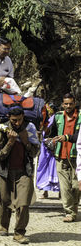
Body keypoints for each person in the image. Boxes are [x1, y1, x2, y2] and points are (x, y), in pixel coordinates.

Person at [0, 105, 39, 244]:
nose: (17, 123)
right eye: (14, 120)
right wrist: (10, 143)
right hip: (5, 171)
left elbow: (35, 153)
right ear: (9, 118)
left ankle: (19, 233)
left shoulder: (29, 129)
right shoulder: (1, 130)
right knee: (5, 202)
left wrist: (25, 141)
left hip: (24, 171)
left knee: (23, 204)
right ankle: (4, 225)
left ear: (23, 117)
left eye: (19, 120)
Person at [46, 93, 81, 222]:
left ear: (75, 103)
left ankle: (74, 207)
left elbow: (79, 136)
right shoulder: (58, 116)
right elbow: (53, 133)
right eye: (66, 104)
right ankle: (69, 212)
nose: (68, 106)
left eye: (70, 104)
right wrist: (50, 138)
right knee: (65, 187)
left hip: (77, 157)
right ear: (62, 104)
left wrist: (66, 137)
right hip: (60, 156)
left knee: (76, 186)